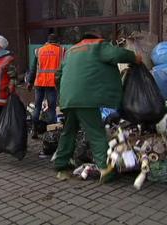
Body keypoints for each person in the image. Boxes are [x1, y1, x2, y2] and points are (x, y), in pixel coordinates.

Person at [53, 31, 142, 181]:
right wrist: (135, 58)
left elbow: (57, 75)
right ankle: (105, 168)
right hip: (86, 98)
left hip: (68, 98)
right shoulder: (99, 45)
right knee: (96, 132)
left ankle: (61, 162)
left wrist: (64, 94)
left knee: (68, 131)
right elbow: (117, 55)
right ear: (96, 38)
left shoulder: (70, 51)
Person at [27, 33, 65, 143]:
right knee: (51, 108)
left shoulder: (39, 50)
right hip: (52, 84)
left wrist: (29, 81)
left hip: (39, 82)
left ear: (47, 41)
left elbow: (33, 68)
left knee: (37, 106)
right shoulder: (61, 51)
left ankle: (34, 129)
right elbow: (65, 67)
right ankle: (51, 133)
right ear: (57, 41)